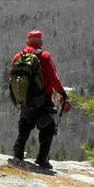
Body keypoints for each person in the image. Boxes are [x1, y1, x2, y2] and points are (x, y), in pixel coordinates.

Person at [12, 30, 71, 169]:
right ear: (41, 42)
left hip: (25, 100)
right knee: (49, 127)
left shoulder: (18, 56)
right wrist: (63, 94)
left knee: (25, 126)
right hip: (43, 99)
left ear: (27, 41)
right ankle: (42, 159)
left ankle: (18, 154)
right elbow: (53, 79)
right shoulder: (44, 56)